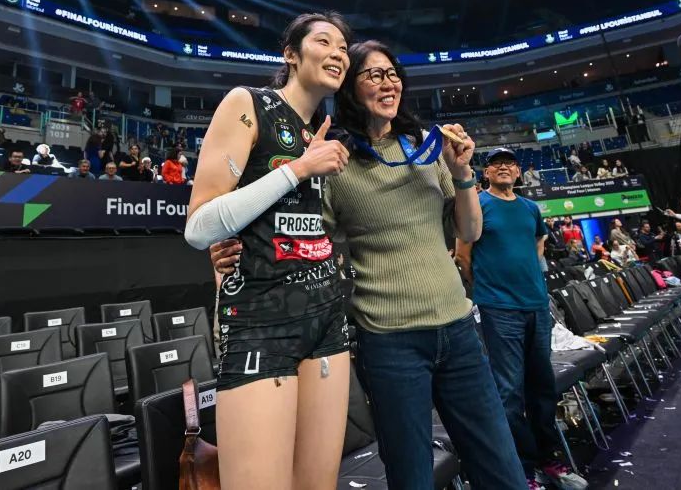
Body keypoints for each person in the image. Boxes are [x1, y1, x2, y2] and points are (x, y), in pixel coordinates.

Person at [210, 39, 525, 489]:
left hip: (458, 332)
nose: (388, 83)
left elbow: (470, 231)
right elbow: (295, 230)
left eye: (393, 73)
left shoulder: (429, 148)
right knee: (411, 476)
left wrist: (461, 174)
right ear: (351, 89)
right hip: (390, 344)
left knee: (502, 469)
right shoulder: (335, 163)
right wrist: (231, 243)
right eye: (374, 74)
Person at [184, 12, 355, 490]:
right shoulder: (247, 103)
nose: (338, 53)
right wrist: (298, 169)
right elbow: (199, 227)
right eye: (324, 42)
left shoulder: (321, 132)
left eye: (344, 47)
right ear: (291, 54)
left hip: (326, 318)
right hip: (260, 322)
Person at [474, 146, 588, 489]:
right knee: (509, 392)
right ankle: (522, 470)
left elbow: (539, 239)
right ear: (485, 173)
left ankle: (549, 460)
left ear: (518, 172)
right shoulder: (478, 204)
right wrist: (489, 287)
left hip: (536, 306)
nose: (503, 167)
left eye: (509, 163)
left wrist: (532, 273)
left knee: (542, 387)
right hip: (499, 309)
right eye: (496, 163)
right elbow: (464, 253)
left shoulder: (530, 208)